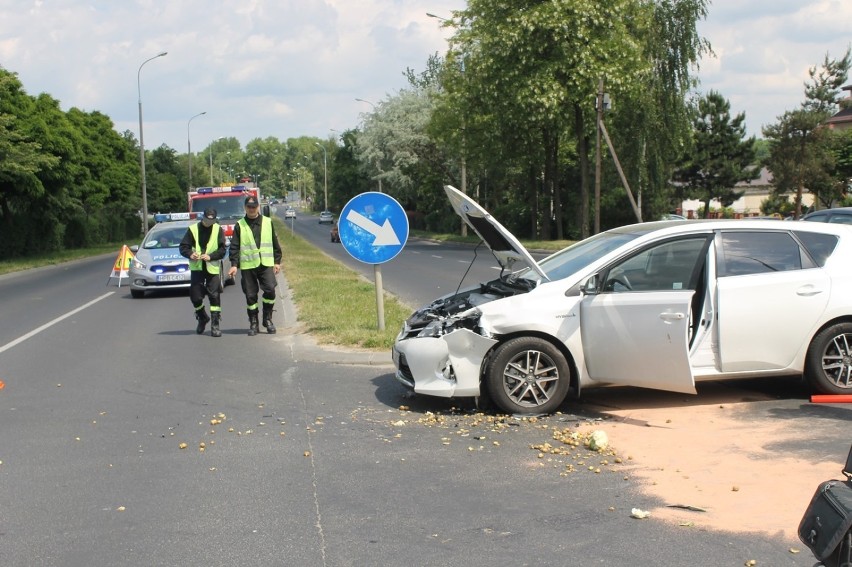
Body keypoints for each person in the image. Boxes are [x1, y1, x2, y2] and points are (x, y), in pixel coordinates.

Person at [227, 195, 282, 336]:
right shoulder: (240, 225)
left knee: (270, 290)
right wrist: (234, 264)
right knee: (250, 296)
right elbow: (234, 246)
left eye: (254, 207)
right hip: (248, 266)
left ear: (258, 207)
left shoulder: (267, 222)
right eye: (249, 207)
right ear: (245, 208)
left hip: (265, 264)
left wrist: (277, 261)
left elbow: (274, 243)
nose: (252, 209)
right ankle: (253, 323)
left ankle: (267, 319)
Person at [179, 208, 227, 337]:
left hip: (212, 267)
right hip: (197, 267)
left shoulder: (218, 230)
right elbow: (183, 247)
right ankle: (202, 317)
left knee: (214, 295)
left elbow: (223, 250)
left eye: (212, 220)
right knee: (195, 296)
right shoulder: (193, 229)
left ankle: (215, 325)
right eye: (207, 219)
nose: (209, 222)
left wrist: (211, 256)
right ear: (203, 217)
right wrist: (191, 254)